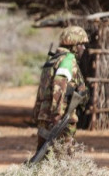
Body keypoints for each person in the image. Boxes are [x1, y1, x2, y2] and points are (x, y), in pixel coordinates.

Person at [32, 25, 89, 154]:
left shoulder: (53, 60)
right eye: (81, 44)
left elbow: (41, 91)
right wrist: (57, 116)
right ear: (74, 44)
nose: (84, 48)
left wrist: (37, 113)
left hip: (45, 117)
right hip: (60, 119)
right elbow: (59, 84)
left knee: (44, 156)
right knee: (65, 157)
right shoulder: (68, 60)